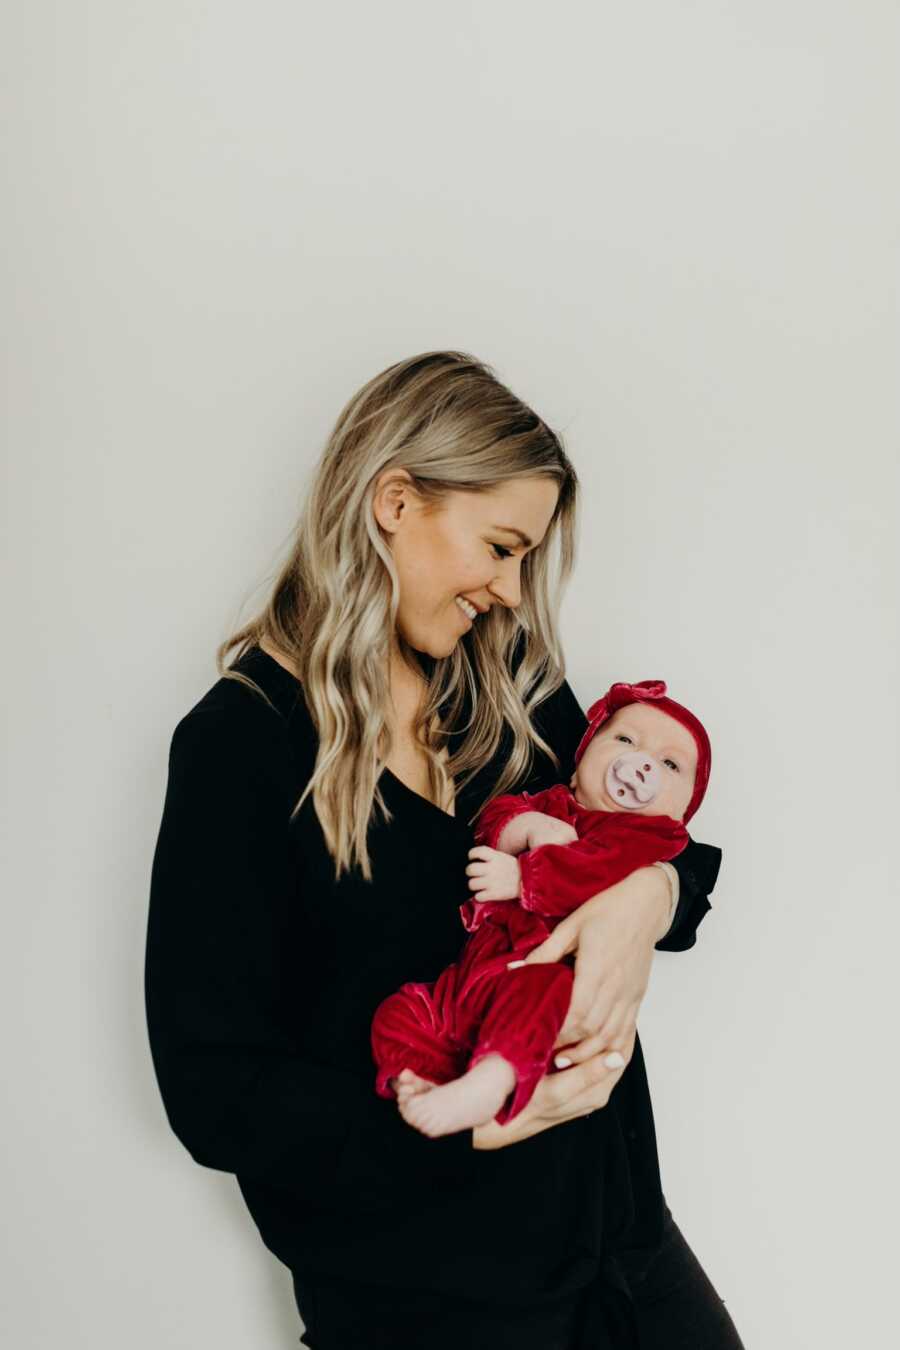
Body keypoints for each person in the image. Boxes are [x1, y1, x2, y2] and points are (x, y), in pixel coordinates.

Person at [144, 351, 745, 1349]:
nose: (511, 592)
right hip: (430, 1312)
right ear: (395, 501)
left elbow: (647, 825)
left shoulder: (499, 683)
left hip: (626, 1257)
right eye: (501, 546)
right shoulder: (240, 746)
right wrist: (451, 1121)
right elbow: (214, 1090)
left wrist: (650, 897)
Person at [371, 679, 713, 1139]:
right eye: (626, 740)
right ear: (579, 764)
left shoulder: (644, 839)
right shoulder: (550, 802)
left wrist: (522, 878)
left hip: (539, 967)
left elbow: (595, 874)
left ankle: (494, 1078)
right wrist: (526, 826)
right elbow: (492, 821)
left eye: (670, 764)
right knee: (406, 1008)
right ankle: (416, 1078)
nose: (641, 764)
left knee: (540, 994)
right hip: (471, 977)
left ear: (680, 816)